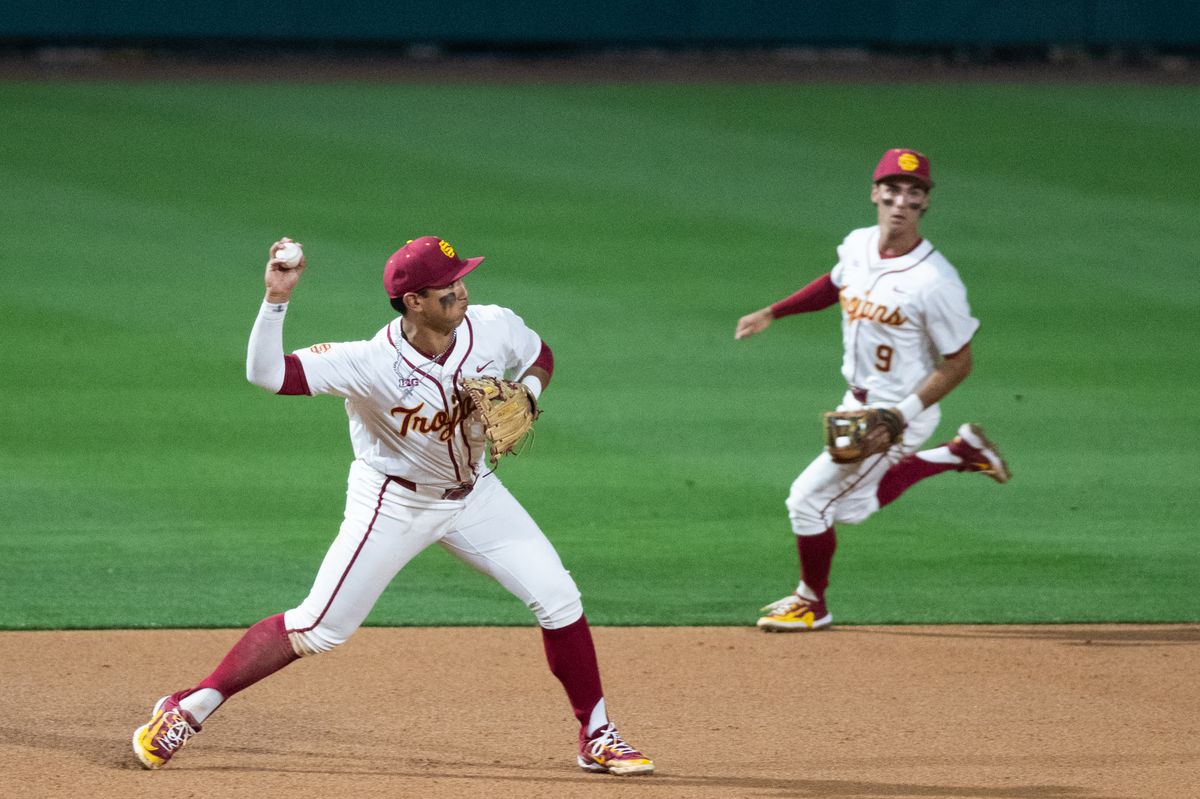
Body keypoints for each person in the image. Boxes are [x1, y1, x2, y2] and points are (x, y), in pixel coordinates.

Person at [132, 235, 654, 775]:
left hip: (475, 496)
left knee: (559, 597)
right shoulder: (368, 362)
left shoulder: (492, 325)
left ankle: (596, 734)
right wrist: (276, 298)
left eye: (461, 278)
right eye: (447, 287)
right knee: (317, 629)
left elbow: (539, 354)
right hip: (393, 504)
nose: (462, 291)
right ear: (414, 301)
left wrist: (528, 393)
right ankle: (188, 708)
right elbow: (267, 375)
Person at [734, 148, 1010, 632]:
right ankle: (960, 452)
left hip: (902, 411)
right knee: (851, 505)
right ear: (875, 193)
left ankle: (811, 603)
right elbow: (833, 285)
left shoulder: (934, 282)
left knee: (806, 501)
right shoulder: (858, 245)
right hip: (856, 403)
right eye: (893, 189)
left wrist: (900, 415)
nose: (901, 200)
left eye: (914, 192)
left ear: (925, 203)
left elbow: (960, 361)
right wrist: (772, 312)